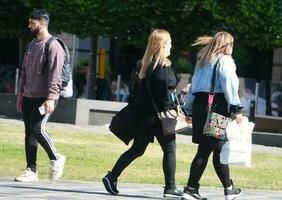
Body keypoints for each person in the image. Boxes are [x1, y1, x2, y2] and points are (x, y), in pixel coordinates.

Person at [102, 29, 182, 198]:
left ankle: (111, 176)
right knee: (170, 149)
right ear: (161, 45)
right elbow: (163, 93)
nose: (171, 46)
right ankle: (170, 187)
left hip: (147, 118)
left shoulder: (148, 64)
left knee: (137, 149)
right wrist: (172, 109)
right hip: (159, 117)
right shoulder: (162, 67)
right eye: (169, 43)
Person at [182, 32, 243, 200]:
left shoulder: (203, 60)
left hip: (201, 107)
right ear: (227, 45)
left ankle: (228, 188)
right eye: (231, 45)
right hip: (217, 107)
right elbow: (229, 86)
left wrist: (188, 110)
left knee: (216, 148)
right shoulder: (225, 61)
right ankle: (191, 188)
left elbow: (193, 86)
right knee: (207, 149)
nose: (232, 48)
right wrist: (236, 108)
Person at [15, 9, 66, 182]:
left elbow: (55, 74)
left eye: (32, 23)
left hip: (45, 97)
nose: (29, 26)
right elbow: (25, 72)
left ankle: (56, 157)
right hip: (28, 96)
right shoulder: (31, 45)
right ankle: (31, 170)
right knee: (29, 132)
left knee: (38, 129)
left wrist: (51, 97)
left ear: (42, 24)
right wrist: (20, 94)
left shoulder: (53, 45)